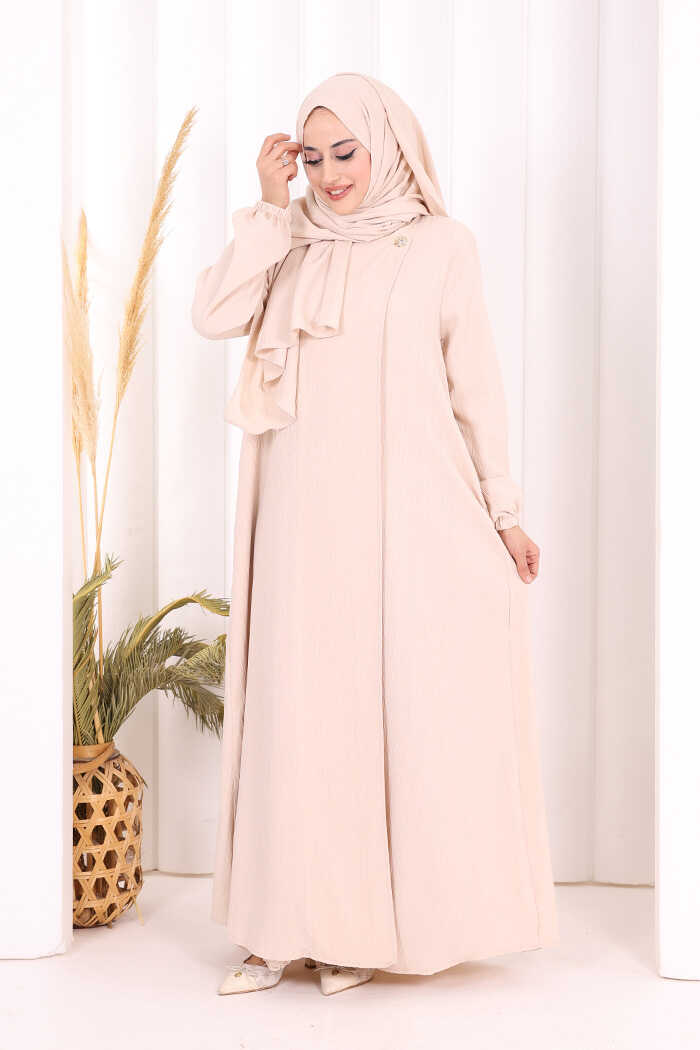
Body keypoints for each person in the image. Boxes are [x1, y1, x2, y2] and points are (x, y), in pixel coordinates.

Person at [191, 72, 558, 998]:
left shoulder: (441, 246)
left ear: (387, 144)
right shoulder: (290, 237)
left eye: (345, 152)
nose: (330, 174)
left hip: (406, 515)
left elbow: (476, 387)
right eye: (313, 157)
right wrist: (267, 207)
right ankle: (279, 926)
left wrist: (504, 510)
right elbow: (213, 316)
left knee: (375, 710)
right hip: (298, 515)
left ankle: (353, 932)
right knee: (295, 707)